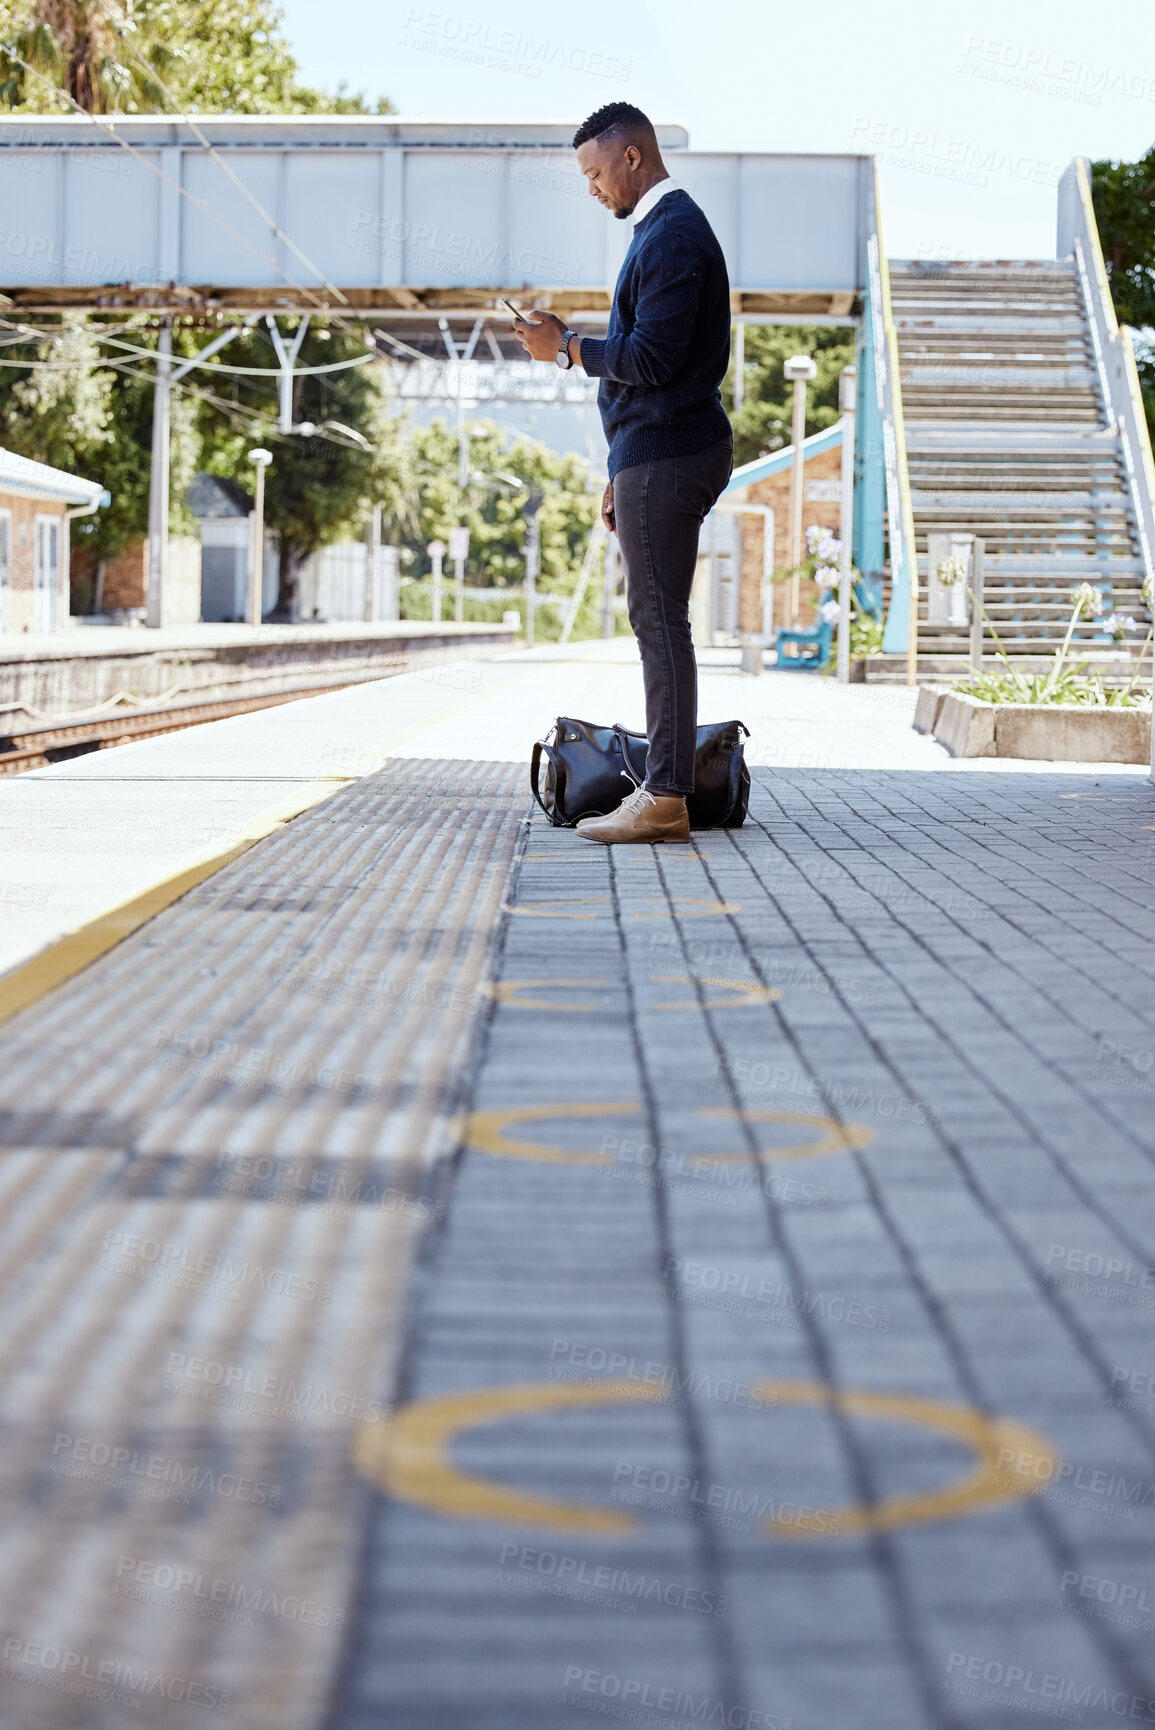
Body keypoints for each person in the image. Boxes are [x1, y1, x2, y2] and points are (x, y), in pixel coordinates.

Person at [513, 101, 733, 844]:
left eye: (595, 171)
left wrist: (567, 348)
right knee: (656, 618)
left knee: (658, 621)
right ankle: (662, 789)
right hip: (656, 451)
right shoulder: (660, 232)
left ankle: (666, 795)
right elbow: (650, 372)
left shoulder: (671, 235)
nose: (591, 188)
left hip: (672, 450)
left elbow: (651, 359)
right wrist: (621, 465)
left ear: (631, 157)